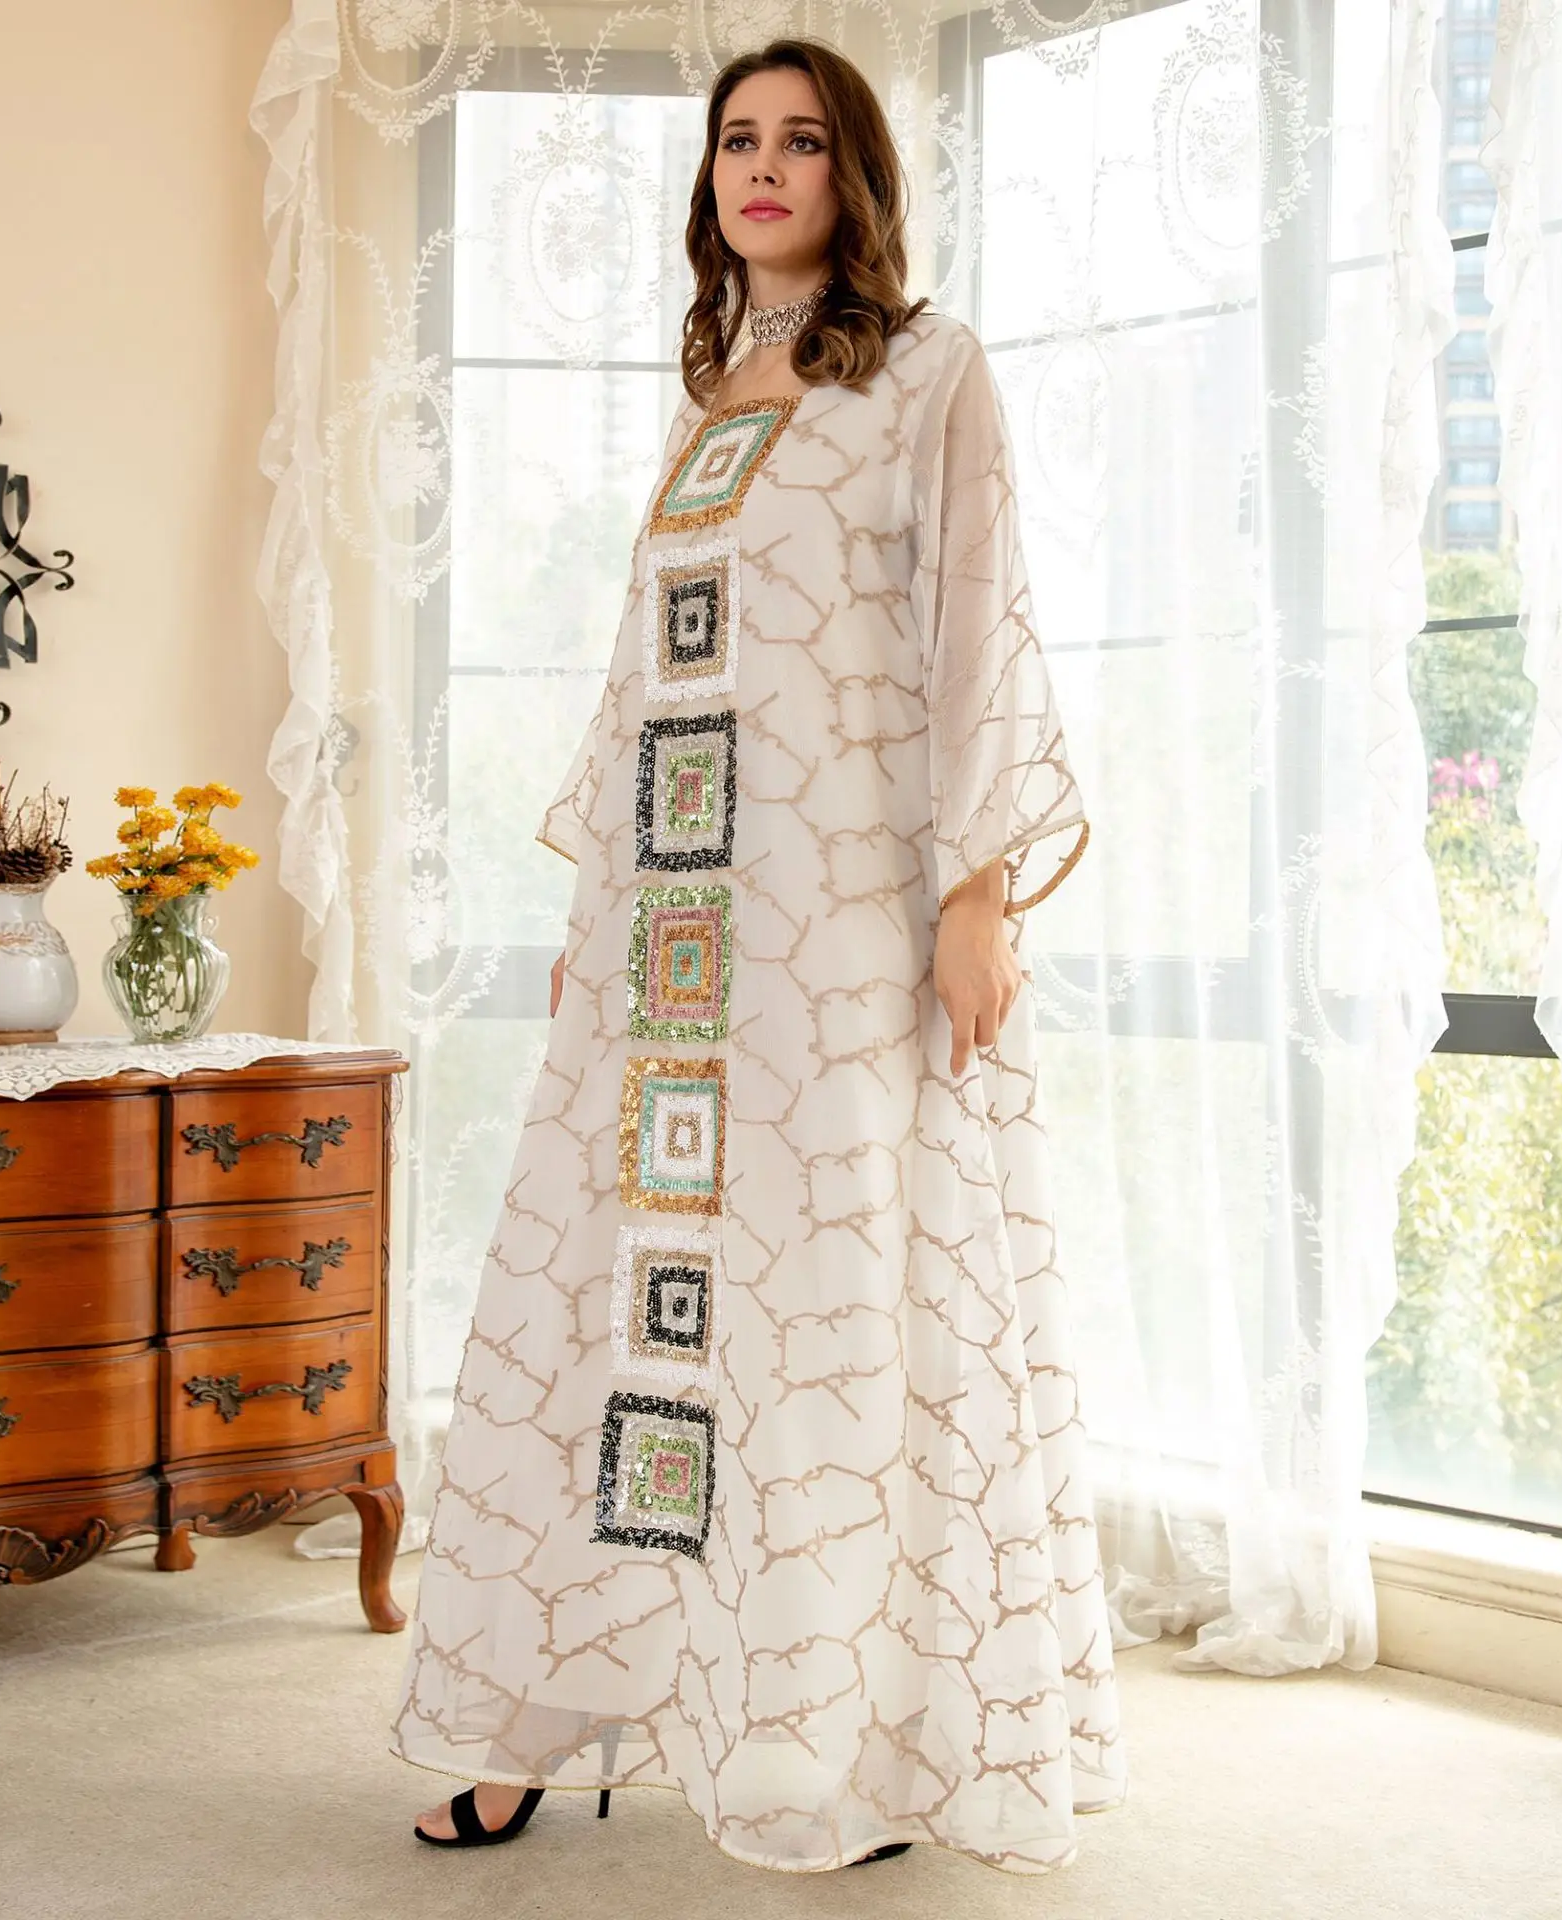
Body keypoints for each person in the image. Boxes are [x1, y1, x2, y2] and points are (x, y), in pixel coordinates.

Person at [398, 35, 1124, 1874]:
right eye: (738, 139)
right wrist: (603, 913)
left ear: (852, 173)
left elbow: (976, 628)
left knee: (823, 1324)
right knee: (618, 1320)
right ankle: (535, 1716)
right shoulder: (709, 394)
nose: (763, 166)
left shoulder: (931, 371)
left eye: (801, 140)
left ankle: (835, 1748)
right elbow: (651, 679)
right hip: (679, 948)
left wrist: (976, 896)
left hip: (842, 929)